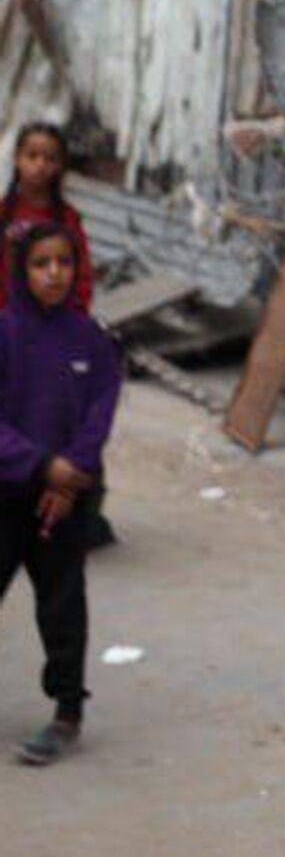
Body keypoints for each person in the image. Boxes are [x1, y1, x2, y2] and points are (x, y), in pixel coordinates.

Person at [0, 222, 121, 766]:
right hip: (7, 491)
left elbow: (99, 414)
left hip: (65, 499)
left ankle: (67, 713)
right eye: (41, 264)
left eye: (64, 263)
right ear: (21, 271)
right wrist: (42, 466)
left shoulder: (91, 340)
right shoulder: (6, 334)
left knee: (62, 604)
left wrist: (70, 477)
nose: (54, 274)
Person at [0, 124, 94, 314]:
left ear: (60, 165)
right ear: (17, 158)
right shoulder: (4, 213)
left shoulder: (68, 219)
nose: (40, 165)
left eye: (50, 158)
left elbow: (82, 278)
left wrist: (70, 316)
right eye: (32, 156)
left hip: (52, 321)